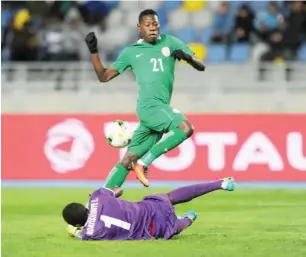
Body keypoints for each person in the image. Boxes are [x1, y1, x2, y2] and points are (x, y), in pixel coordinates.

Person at [84, 9, 205, 188]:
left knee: (128, 160)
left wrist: (189, 58)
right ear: (139, 28)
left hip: (158, 109)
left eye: (155, 24)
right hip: (149, 107)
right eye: (147, 25)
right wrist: (94, 51)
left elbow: (201, 66)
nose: (152, 28)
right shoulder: (131, 52)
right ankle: (144, 163)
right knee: (185, 127)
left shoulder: (170, 42)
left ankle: (98, 200)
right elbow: (104, 76)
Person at [62, 177, 235, 241]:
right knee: (170, 198)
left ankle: (187, 220)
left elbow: (80, 234)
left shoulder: (91, 233)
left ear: (78, 222)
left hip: (152, 229)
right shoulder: (97, 198)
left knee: (169, 229)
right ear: (82, 206)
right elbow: (118, 190)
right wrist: (100, 198)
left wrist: (73, 231)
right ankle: (220, 183)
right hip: (151, 209)